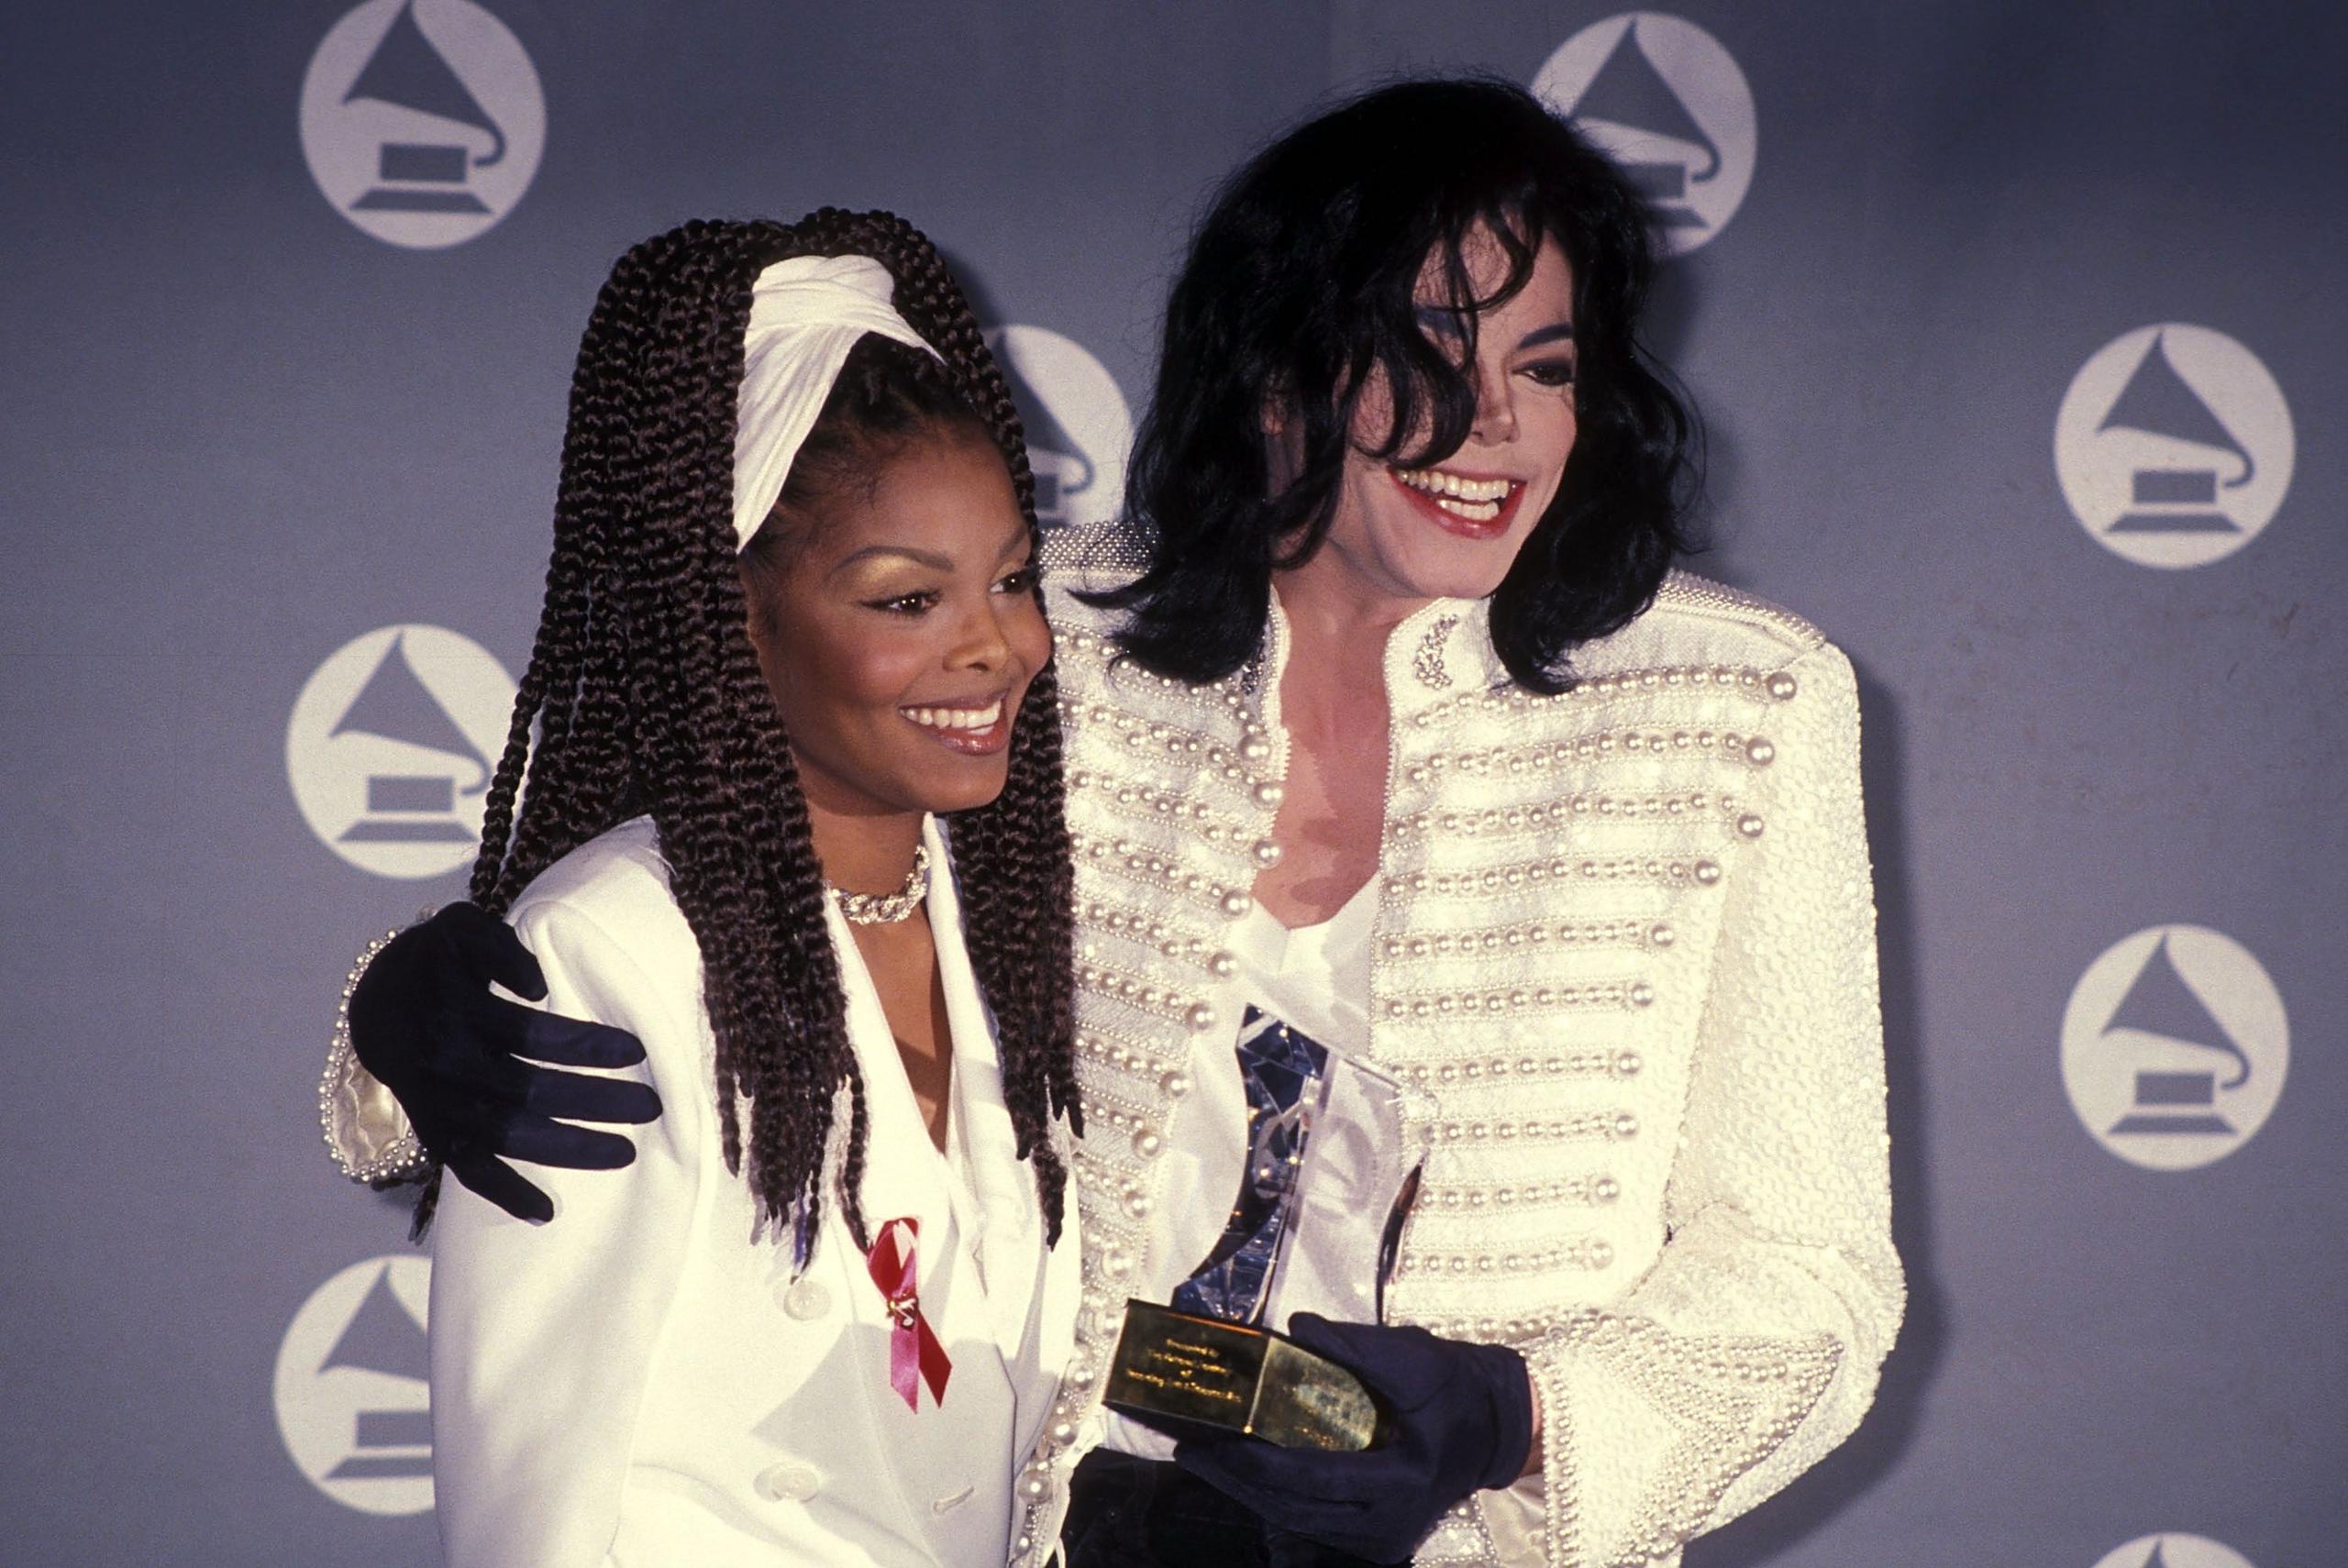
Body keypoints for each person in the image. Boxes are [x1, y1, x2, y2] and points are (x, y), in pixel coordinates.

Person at [325, 80, 1902, 1568]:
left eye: (1548, 367)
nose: (1495, 423)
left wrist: (1522, 1414)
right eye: (1429, 349)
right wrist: (413, 1026)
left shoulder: (1742, 708)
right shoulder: (1047, 633)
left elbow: (1812, 1280)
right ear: (1276, 369)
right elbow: (737, 884)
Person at [337, 210, 1088, 1567]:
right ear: (732, 615)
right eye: (907, 600)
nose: (999, 647)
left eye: (1014, 579)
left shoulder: (1016, 921)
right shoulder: (613, 953)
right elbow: (541, 1496)